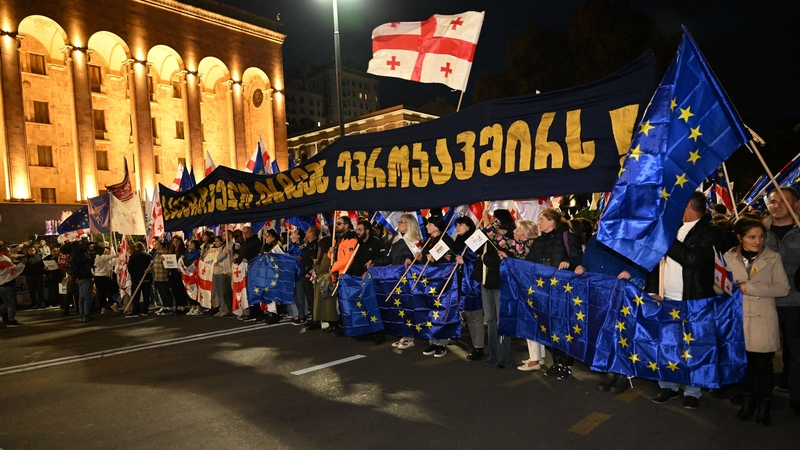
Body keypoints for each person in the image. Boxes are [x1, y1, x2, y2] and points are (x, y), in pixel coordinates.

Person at [650, 191, 722, 409]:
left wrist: (668, 239)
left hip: (694, 301)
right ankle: (668, 385)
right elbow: (655, 262)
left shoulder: (710, 232)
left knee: (694, 347)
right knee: (668, 346)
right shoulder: (675, 228)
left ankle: (693, 390)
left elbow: (692, 259)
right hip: (667, 298)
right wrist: (653, 289)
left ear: (688, 204)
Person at [724, 218, 789, 426]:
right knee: (743, 366)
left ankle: (764, 405)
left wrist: (749, 287)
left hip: (763, 321)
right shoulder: (727, 257)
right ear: (739, 237)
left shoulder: (773, 257)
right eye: (752, 237)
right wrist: (727, 288)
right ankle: (747, 402)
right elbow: (718, 287)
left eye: (761, 236)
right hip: (738, 320)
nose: (758, 241)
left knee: (763, 367)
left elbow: (782, 288)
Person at [575, 234, 647, 393]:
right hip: (598, 293)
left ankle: (622, 373)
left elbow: (643, 261)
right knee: (604, 332)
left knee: (621, 333)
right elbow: (586, 261)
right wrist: (582, 267)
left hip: (621, 293)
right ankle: (609, 370)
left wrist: (630, 272)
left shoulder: (629, 238)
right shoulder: (594, 240)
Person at [764, 187, 800, 416]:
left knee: (796, 350)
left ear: (796, 205)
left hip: (795, 302)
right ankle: (761, 394)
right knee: (762, 351)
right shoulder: (760, 231)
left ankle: (796, 395)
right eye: (773, 201)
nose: (776, 205)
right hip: (764, 302)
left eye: (783, 201)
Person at [475, 209, 516, 368]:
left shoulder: (509, 236)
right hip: (486, 281)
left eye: (494, 218)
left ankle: (503, 356)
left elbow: (503, 259)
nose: (491, 220)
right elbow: (474, 247)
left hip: (501, 282)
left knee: (501, 321)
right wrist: (483, 230)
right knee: (490, 320)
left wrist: (486, 257)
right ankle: (492, 354)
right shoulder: (487, 234)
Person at [374, 214, 421, 350]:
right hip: (395, 279)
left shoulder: (415, 241)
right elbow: (389, 259)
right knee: (400, 308)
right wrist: (374, 262)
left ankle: (410, 336)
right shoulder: (396, 240)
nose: (398, 225)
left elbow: (417, 259)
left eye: (401, 222)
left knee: (408, 307)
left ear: (409, 225)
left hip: (408, 280)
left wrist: (410, 259)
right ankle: (404, 334)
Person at [418, 215, 456, 357]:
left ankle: (442, 343)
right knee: (430, 310)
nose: (427, 226)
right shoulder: (428, 240)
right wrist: (419, 257)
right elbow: (425, 257)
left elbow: (449, 258)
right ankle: (432, 341)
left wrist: (436, 258)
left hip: (441, 281)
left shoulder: (445, 240)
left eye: (429, 224)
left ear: (437, 226)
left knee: (441, 310)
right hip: (428, 281)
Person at [453, 216, 485, 360]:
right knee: (469, 315)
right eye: (456, 225)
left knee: (475, 315)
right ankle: (475, 344)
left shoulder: (475, 240)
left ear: (468, 226)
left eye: (460, 225)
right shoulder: (459, 242)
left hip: (473, 284)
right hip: (462, 282)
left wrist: (463, 261)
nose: (457, 228)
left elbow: (477, 261)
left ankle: (479, 347)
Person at [237, 226, 265, 322]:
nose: (245, 235)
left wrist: (248, 259)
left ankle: (259, 313)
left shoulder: (256, 242)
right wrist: (237, 260)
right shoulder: (244, 243)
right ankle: (252, 312)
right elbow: (242, 255)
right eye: (243, 233)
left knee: (255, 291)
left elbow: (256, 255)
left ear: (251, 233)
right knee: (248, 292)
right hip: (245, 271)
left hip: (253, 271)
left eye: (247, 233)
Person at [126, 241, 153, 317]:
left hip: (136, 278)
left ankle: (136, 310)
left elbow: (130, 268)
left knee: (136, 295)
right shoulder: (149, 256)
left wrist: (134, 275)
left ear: (136, 248)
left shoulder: (133, 256)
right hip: (147, 277)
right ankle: (145, 310)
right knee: (146, 295)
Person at [0, 246, 25, 326]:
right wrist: (22, 263)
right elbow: (14, 269)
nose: (10, 253)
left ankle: (8, 318)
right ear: (4, 252)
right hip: (7, 284)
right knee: (10, 303)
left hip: (1, 284)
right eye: (9, 251)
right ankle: (11, 319)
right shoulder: (5, 259)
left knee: (5, 303)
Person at [70, 242, 95, 322]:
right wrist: (92, 254)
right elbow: (90, 262)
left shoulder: (75, 257)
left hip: (80, 279)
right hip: (85, 277)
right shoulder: (82, 258)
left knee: (81, 298)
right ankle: (86, 315)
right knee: (87, 297)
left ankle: (81, 315)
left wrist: (76, 277)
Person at [211, 235, 232, 317]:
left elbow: (220, 258)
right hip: (216, 271)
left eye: (217, 241)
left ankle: (225, 308)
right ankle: (221, 307)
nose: (216, 243)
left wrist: (219, 260)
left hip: (222, 270)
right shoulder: (214, 249)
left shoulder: (225, 247)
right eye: (215, 241)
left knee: (224, 291)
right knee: (219, 291)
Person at [93, 244, 117, 314]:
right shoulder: (103, 257)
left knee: (101, 292)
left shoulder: (95, 258)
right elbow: (113, 256)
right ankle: (112, 303)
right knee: (110, 290)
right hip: (104, 276)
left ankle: (102, 307)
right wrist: (112, 249)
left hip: (97, 276)